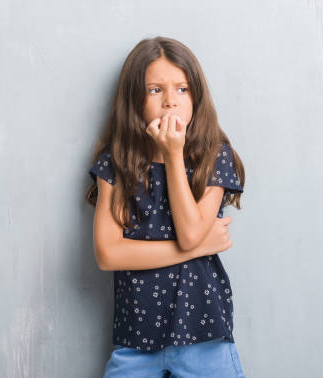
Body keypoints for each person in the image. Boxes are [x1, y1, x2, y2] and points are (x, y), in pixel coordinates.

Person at [85, 36, 246, 377]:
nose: (170, 101)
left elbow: (189, 234)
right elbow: (108, 254)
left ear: (196, 97)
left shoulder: (214, 157)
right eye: (155, 90)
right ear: (135, 100)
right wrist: (200, 248)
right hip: (136, 342)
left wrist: (173, 155)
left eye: (182, 89)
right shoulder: (115, 164)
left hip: (205, 338)